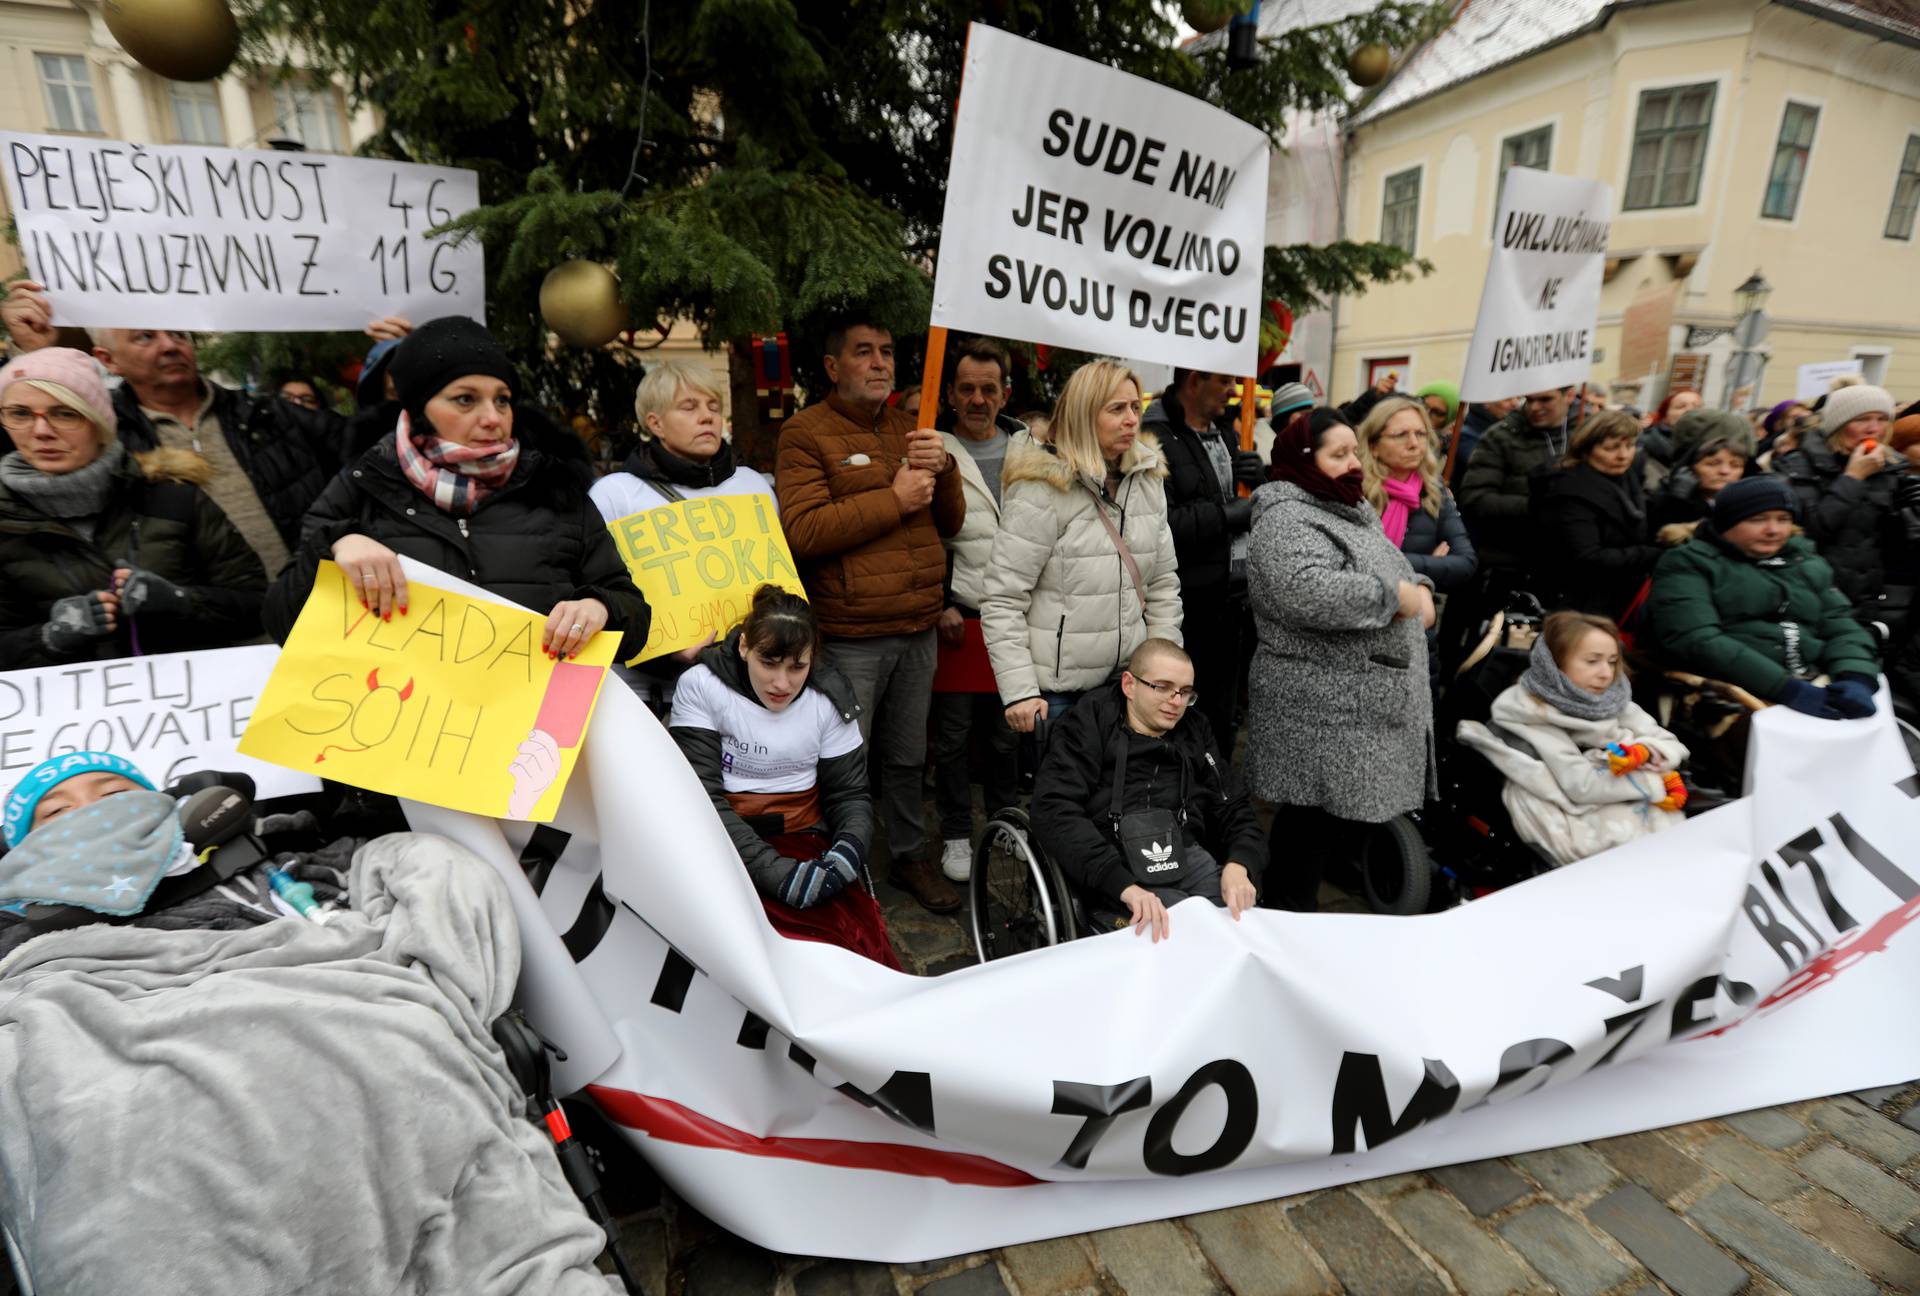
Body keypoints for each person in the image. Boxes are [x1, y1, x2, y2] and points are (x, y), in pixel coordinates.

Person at [263, 316, 649, 666]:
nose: (493, 418)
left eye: (502, 399)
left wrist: (601, 608)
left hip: (536, 735)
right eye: (465, 399)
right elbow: (283, 622)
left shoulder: (556, 490)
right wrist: (334, 546)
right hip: (403, 731)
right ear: (419, 408)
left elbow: (632, 615)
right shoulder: (363, 485)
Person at [1, 279, 406, 577]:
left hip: (310, 606)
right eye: (145, 336)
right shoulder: (101, 437)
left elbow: (368, 445)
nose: (170, 345)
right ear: (108, 360)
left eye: (178, 333)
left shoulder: (266, 414)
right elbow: (30, 447)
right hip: (200, 639)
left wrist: (410, 367)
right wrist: (34, 354)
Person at [775, 316, 966, 913]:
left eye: (886, 350)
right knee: (845, 762)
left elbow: (949, 524)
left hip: (918, 629)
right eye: (864, 352)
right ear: (833, 368)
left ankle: (909, 856)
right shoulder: (805, 434)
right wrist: (894, 499)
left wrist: (948, 470)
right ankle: (844, 868)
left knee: (909, 757)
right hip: (853, 633)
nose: (881, 362)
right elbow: (801, 531)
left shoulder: (913, 430)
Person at [1247, 408, 1436, 912]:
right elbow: (1304, 591)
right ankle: (1286, 918)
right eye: (1340, 454)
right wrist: (1395, 597)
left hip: (1355, 704)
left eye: (1355, 450)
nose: (1355, 462)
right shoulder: (1286, 517)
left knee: (1327, 820)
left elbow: (1391, 563)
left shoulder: (1347, 506)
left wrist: (1420, 586)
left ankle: (1311, 908)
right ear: (1305, 461)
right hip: (1321, 709)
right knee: (1308, 822)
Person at [667, 586, 898, 967]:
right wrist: (778, 876)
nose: (782, 683)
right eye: (769, 663)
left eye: (797, 666)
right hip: (721, 837)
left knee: (846, 949)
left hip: (803, 836)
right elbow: (702, 797)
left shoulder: (829, 696)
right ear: (744, 648)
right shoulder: (703, 685)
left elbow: (850, 794)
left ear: (813, 659)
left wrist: (845, 855)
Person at [0, 348, 265, 668]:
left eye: (64, 413)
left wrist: (183, 602)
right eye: (20, 414)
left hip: (192, 705)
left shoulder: (175, 497)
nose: (41, 431)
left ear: (98, 422)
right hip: (73, 714)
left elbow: (259, 605)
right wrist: (48, 638)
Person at [982, 359, 1182, 732]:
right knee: (1066, 792)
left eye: (1136, 407)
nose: (1132, 419)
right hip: (1059, 697)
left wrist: (1161, 672)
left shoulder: (1147, 479)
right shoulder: (1042, 486)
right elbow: (1003, 597)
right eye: (1117, 408)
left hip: (1131, 688)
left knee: (1131, 791)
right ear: (1084, 413)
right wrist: (1020, 691)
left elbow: (1163, 584)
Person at [1029, 639, 1263, 943]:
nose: (1176, 701)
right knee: (1188, 931)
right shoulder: (1089, 723)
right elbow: (1053, 808)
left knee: (1241, 921)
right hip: (1111, 857)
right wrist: (1122, 884)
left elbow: (1231, 803)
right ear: (1129, 684)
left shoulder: (1193, 729)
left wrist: (1241, 863)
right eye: (1162, 687)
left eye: (1184, 692)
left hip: (1182, 849)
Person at [590, 361, 776, 712]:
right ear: (654, 423)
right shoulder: (615, 494)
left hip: (746, 690)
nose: (707, 417)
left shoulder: (754, 487)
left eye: (713, 407)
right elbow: (599, 592)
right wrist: (665, 653)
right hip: (651, 696)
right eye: (689, 407)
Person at [1455, 612, 1689, 868]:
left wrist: (1647, 750)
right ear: (1555, 665)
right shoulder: (1531, 713)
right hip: (1582, 804)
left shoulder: (1612, 699)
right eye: (1592, 661)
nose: (1606, 674)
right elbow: (1581, 785)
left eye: (1612, 662)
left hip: (1620, 791)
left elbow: (1669, 741)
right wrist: (1656, 780)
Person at [1647, 475, 1881, 718]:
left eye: (1784, 519)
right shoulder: (1687, 562)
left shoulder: (1806, 561)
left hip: (1813, 679)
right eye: (1757, 519)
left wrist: (1857, 676)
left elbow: (1841, 625)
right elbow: (1696, 639)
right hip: (1735, 689)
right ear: (1727, 523)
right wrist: (1785, 688)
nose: (1773, 530)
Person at [931, 337, 1024, 882]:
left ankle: (1008, 823)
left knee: (1007, 734)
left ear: (1004, 393)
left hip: (1015, 619)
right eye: (966, 389)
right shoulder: (931, 447)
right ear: (951, 394)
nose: (978, 398)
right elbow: (922, 537)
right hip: (959, 621)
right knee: (951, 738)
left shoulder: (1029, 451)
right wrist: (938, 601)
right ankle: (957, 834)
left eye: (988, 389)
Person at [1141, 367, 1264, 746]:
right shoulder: (1154, 440)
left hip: (1232, 601)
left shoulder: (1229, 433)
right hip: (1188, 603)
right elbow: (1162, 523)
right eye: (1225, 381)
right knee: (1181, 716)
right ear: (1194, 381)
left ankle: (1215, 793)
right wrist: (1226, 515)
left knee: (1220, 717)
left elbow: (1241, 501)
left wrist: (1260, 478)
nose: (1233, 391)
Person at [1775, 384, 1900, 627]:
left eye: (1882, 419)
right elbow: (1812, 530)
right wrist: (1853, 478)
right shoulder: (1797, 467)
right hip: (1812, 597)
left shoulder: (1893, 466)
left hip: (1869, 602)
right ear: (1839, 424)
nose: (1873, 429)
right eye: (1862, 419)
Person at [1530, 410, 1658, 618]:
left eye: (1630, 445)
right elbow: (1586, 557)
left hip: (1614, 596)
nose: (1623, 455)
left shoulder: (1624, 477)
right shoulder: (1568, 490)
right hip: (1578, 604)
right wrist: (1649, 555)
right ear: (1586, 449)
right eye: (1611, 448)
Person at [1356, 397, 1477, 591]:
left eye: (1421, 434)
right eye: (1400, 434)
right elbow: (1350, 564)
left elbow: (1465, 563)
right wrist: (1430, 565)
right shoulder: (1355, 492)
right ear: (1373, 446)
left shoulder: (1432, 489)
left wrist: (1392, 563)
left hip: (1417, 616)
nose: (1414, 444)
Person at [1458, 385, 1577, 570]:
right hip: (1508, 560)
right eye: (1529, 400)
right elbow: (1475, 498)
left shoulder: (1584, 435)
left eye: (1545, 399)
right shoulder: (1500, 436)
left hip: (1568, 560)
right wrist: (1535, 506)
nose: (1535, 407)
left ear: (1569, 395)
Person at [1648, 408, 1754, 536]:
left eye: (1735, 465)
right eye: (1713, 464)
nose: (1724, 471)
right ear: (1688, 466)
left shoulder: (1754, 503)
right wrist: (1676, 502)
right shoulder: (1661, 500)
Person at [1450, 395, 1520, 485]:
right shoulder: (1466, 436)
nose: (1516, 404)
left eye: (1519, 398)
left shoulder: (1512, 429)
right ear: (1486, 402)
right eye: (1507, 398)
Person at [1639, 388, 1701, 467]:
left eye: (1697, 407)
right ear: (1665, 416)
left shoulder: (1711, 442)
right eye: (1681, 406)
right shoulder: (1645, 442)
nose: (1690, 410)